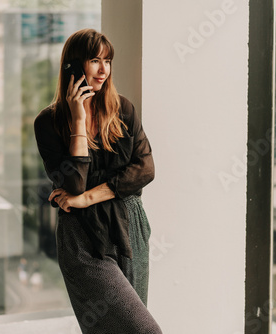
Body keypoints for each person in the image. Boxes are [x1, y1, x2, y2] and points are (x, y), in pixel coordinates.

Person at [34, 28, 162, 334]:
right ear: (73, 67)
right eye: (94, 60)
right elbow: (74, 185)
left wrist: (87, 198)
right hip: (83, 238)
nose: (104, 69)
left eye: (108, 60)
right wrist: (79, 121)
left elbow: (145, 169)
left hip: (130, 225)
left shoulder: (123, 110)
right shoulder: (48, 123)